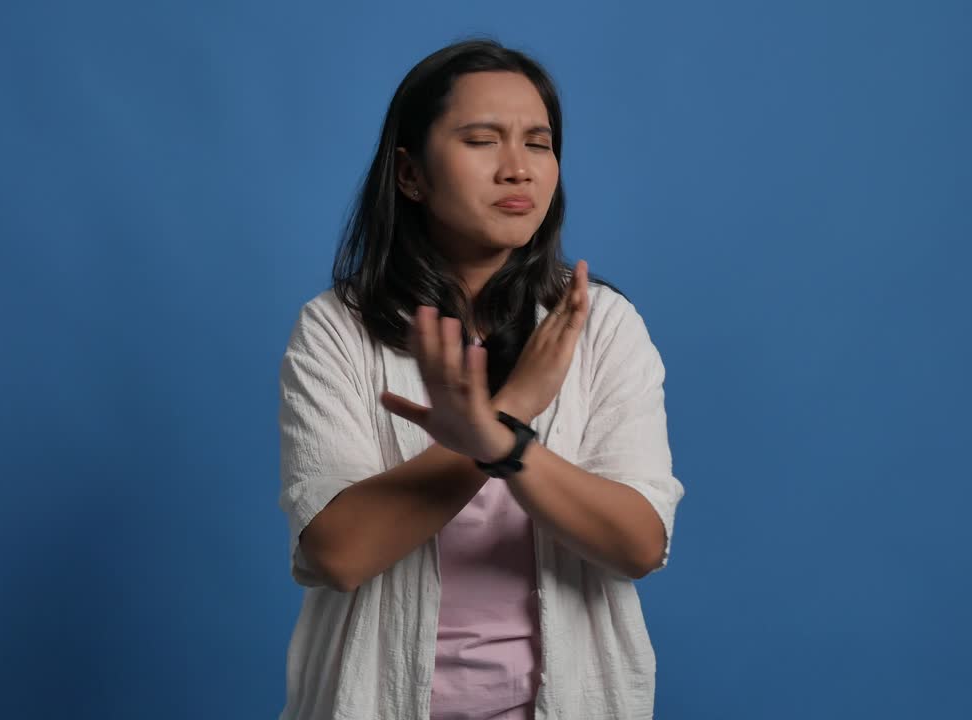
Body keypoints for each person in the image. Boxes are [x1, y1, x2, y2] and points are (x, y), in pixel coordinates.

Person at [277, 38, 684, 720]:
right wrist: (512, 413)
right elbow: (337, 554)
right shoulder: (338, 330)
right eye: (481, 140)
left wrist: (497, 442)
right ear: (410, 175)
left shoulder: (602, 324)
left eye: (538, 142)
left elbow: (639, 544)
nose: (517, 169)